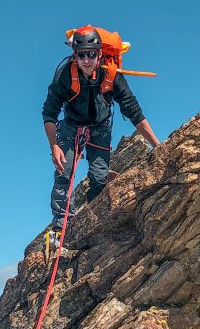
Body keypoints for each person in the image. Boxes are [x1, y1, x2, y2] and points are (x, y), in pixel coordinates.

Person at [42, 27, 160, 246]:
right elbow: (49, 113)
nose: (86, 60)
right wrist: (55, 145)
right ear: (74, 55)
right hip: (70, 125)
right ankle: (61, 229)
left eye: (91, 54)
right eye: (81, 55)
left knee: (99, 177)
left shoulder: (111, 75)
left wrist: (156, 145)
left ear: (99, 54)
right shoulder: (65, 75)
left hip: (100, 126)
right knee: (63, 174)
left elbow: (134, 111)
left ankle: (94, 224)